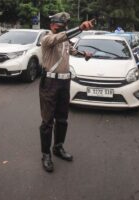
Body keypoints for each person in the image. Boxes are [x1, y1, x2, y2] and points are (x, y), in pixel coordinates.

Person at [39, 12, 94, 173]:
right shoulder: (47, 39)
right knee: (47, 121)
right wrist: (80, 28)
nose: (63, 28)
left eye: (65, 26)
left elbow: (71, 49)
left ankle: (58, 147)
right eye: (60, 26)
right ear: (52, 26)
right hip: (49, 83)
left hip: (64, 82)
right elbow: (60, 38)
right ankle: (45, 154)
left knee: (62, 119)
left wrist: (85, 55)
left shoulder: (65, 41)